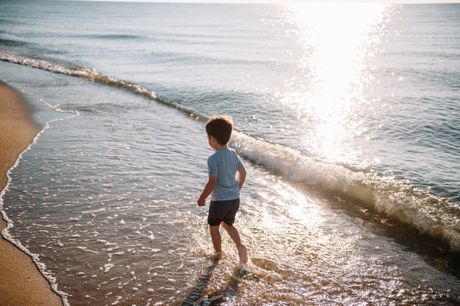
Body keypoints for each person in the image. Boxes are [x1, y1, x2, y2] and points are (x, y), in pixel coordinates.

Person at [197, 115, 249, 269]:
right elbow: (243, 173)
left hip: (219, 200)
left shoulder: (213, 159)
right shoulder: (232, 153)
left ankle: (218, 254)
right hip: (234, 199)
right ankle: (240, 246)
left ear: (212, 138)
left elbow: (212, 182)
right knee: (228, 224)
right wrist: (237, 188)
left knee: (214, 227)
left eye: (208, 137)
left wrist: (202, 198)